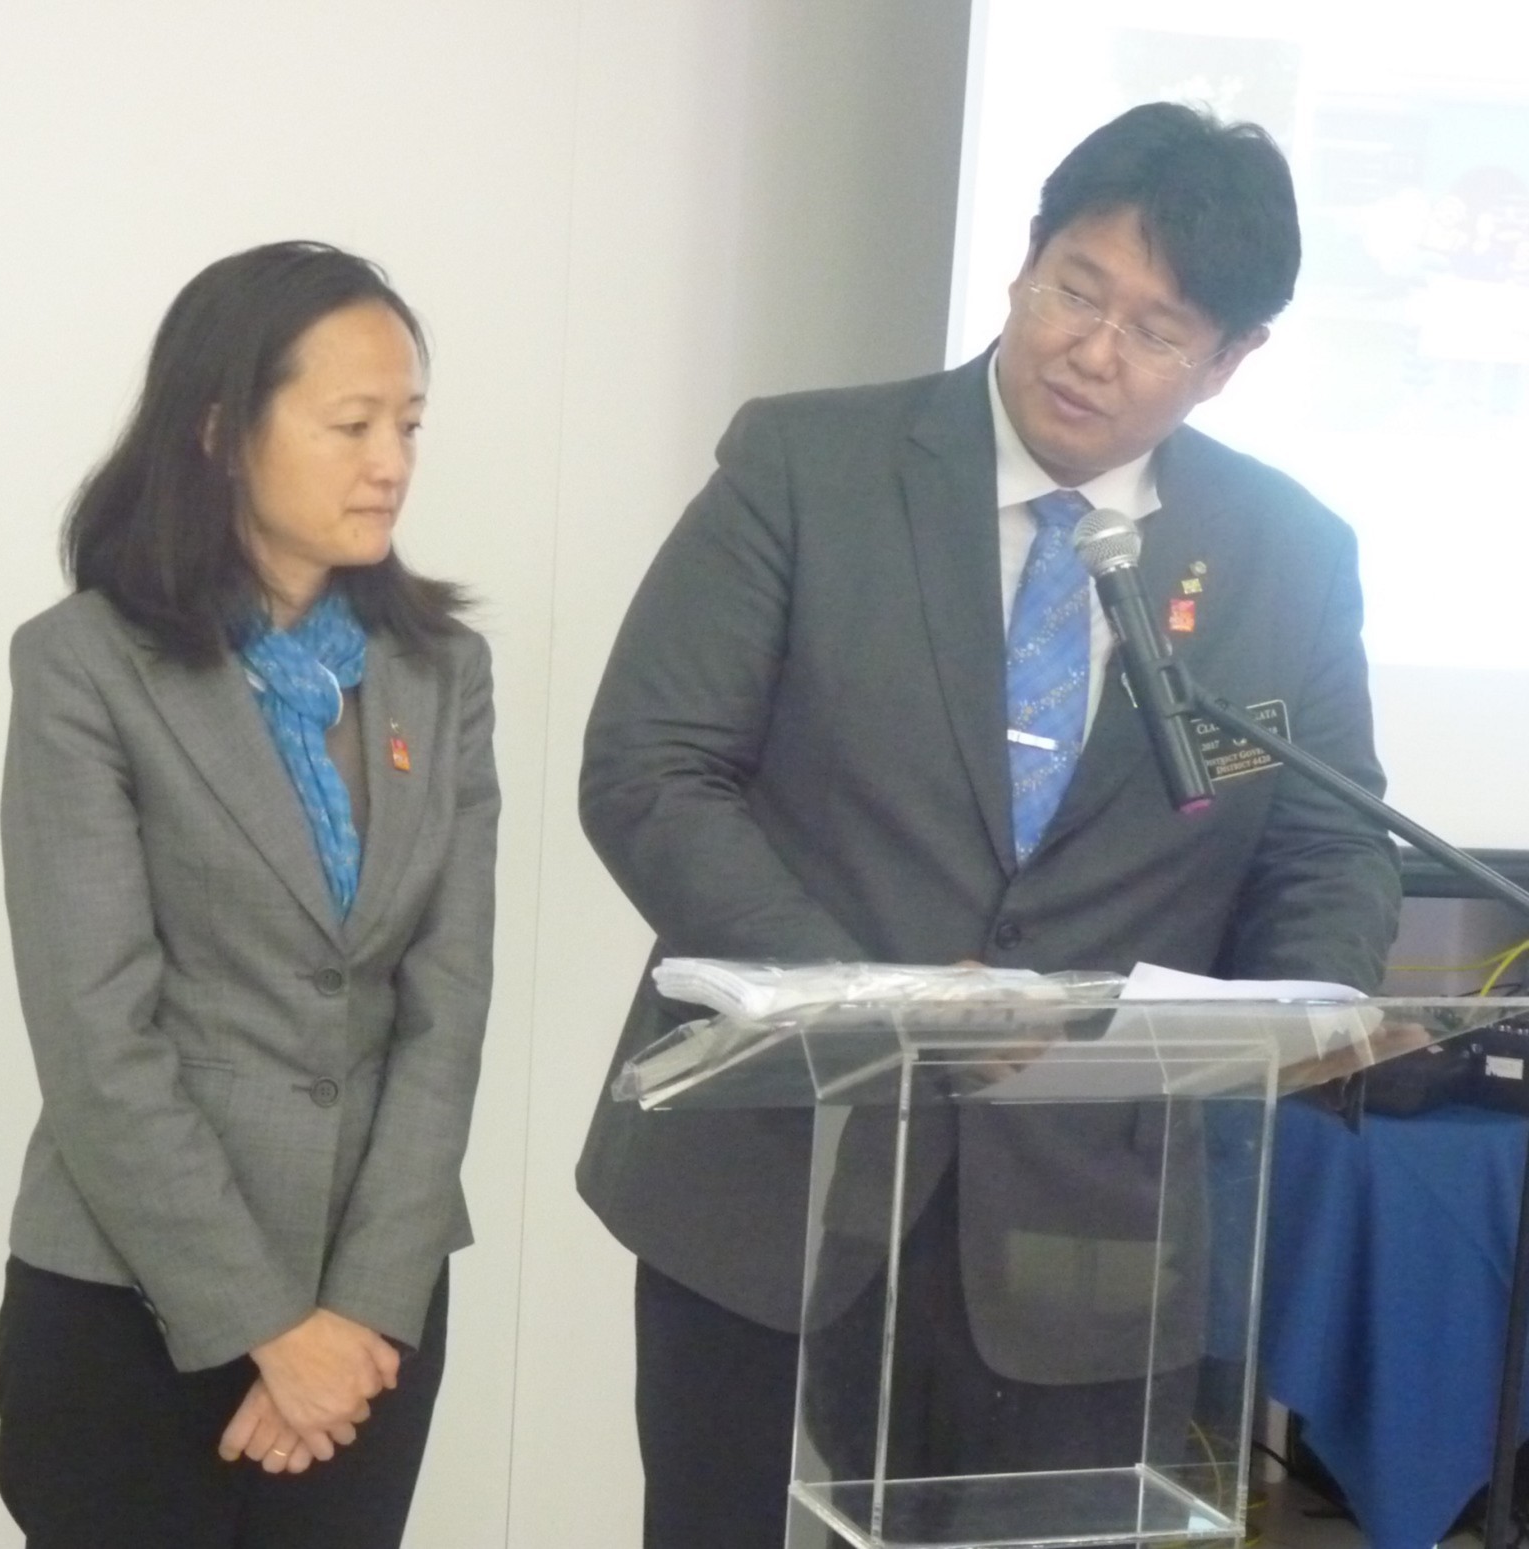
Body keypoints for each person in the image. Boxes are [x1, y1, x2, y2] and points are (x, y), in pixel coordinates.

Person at [576, 103, 1403, 1547]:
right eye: (1077, 288)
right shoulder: (809, 465)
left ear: (1230, 361)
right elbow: (651, 769)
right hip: (776, 1197)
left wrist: (1303, 1004)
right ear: (1024, 260)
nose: (1094, 348)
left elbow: (1329, 847)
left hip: (1087, 1231)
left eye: (1156, 330)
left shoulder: (1288, 554)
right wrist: (870, 997)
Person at [0, 241, 499, 1549]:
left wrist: (360, 1310)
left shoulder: (440, 673)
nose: (391, 462)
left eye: (408, 424)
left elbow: (446, 1009)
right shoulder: (83, 669)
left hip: (373, 1314)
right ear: (221, 432)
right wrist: (269, 1328)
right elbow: (98, 1035)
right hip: (130, 1304)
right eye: (351, 423)